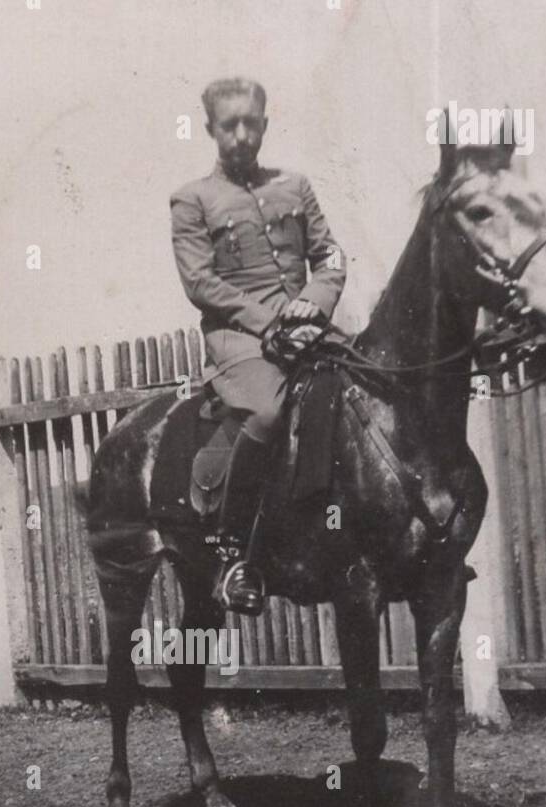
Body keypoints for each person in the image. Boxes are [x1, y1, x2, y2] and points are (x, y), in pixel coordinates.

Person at [170, 77, 346, 614]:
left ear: (266, 124)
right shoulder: (192, 200)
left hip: (307, 330)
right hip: (240, 340)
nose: (242, 135)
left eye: (252, 122)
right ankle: (233, 555)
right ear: (210, 130)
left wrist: (313, 302)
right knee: (269, 414)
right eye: (230, 125)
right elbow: (200, 283)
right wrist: (269, 320)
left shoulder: (296, 186)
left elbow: (331, 257)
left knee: (360, 394)